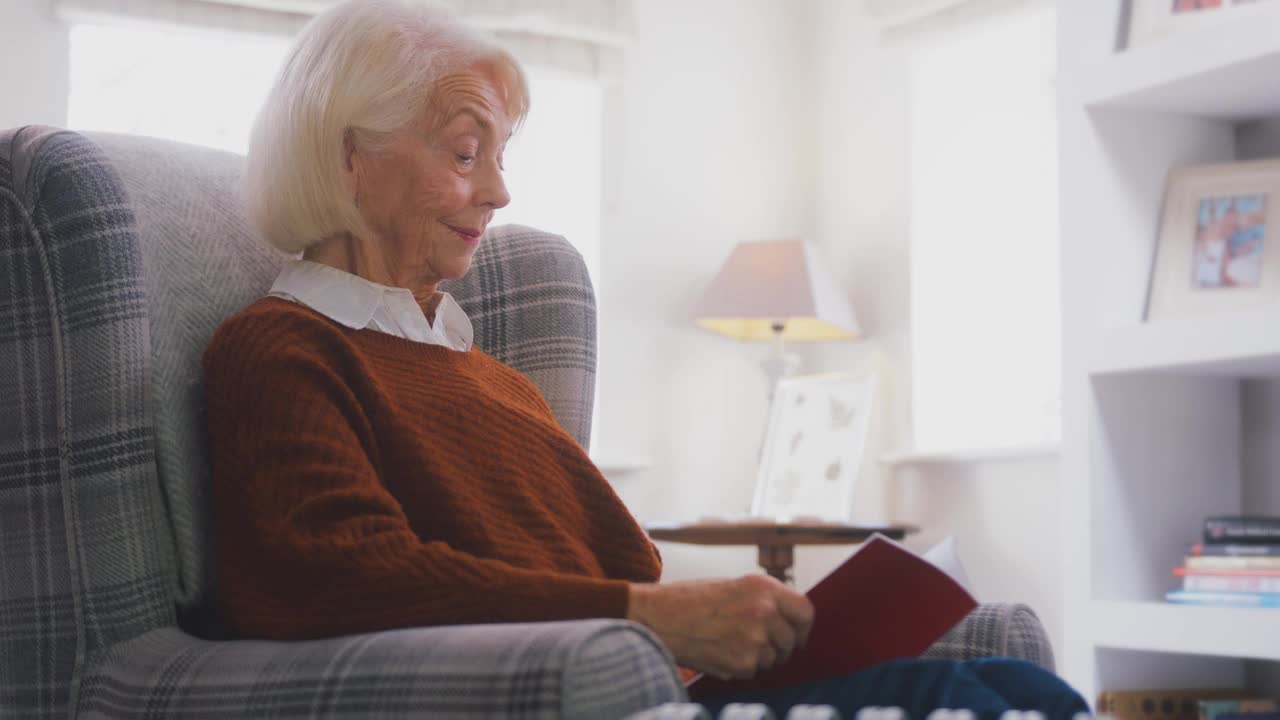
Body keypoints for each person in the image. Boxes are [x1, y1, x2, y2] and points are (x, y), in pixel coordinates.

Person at [202, 1, 1087, 716]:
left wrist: (730, 620)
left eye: (501, 157)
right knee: (970, 701)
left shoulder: (489, 377)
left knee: (1018, 684)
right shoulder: (280, 351)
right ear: (354, 161)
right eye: (466, 153)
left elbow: (617, 572)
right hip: (571, 694)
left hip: (665, 688)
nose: (500, 191)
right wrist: (653, 618)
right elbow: (338, 578)